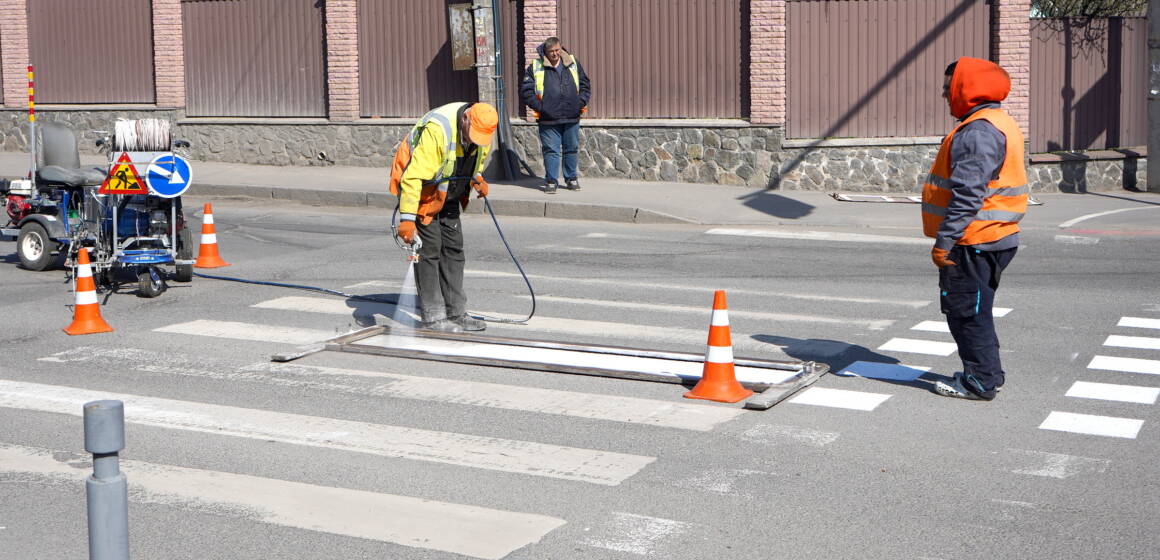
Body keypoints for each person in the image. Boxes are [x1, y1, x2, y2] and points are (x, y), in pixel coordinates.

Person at [923, 57, 1028, 400]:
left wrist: (945, 241)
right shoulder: (998, 121)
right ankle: (987, 373)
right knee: (976, 310)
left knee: (966, 313)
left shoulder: (978, 131)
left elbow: (968, 195)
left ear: (967, 89)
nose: (944, 94)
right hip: (994, 236)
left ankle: (980, 382)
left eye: (949, 87)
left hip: (973, 241)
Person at [389, 102, 498, 333]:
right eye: (472, 134)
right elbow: (413, 178)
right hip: (422, 192)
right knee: (429, 250)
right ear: (465, 119)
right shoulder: (438, 130)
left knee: (454, 250)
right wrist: (407, 219)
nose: (475, 140)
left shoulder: (483, 130)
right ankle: (433, 317)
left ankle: (456, 313)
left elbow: (476, 158)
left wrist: (476, 177)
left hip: (449, 191)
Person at [520, 36, 591, 194]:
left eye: (557, 50)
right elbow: (526, 91)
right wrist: (541, 107)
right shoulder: (535, 66)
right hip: (548, 119)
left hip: (571, 116)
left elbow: (585, 84)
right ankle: (551, 181)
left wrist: (579, 102)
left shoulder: (572, 62)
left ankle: (571, 179)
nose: (555, 54)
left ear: (561, 48)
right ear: (545, 52)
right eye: (551, 51)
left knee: (571, 149)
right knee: (551, 150)